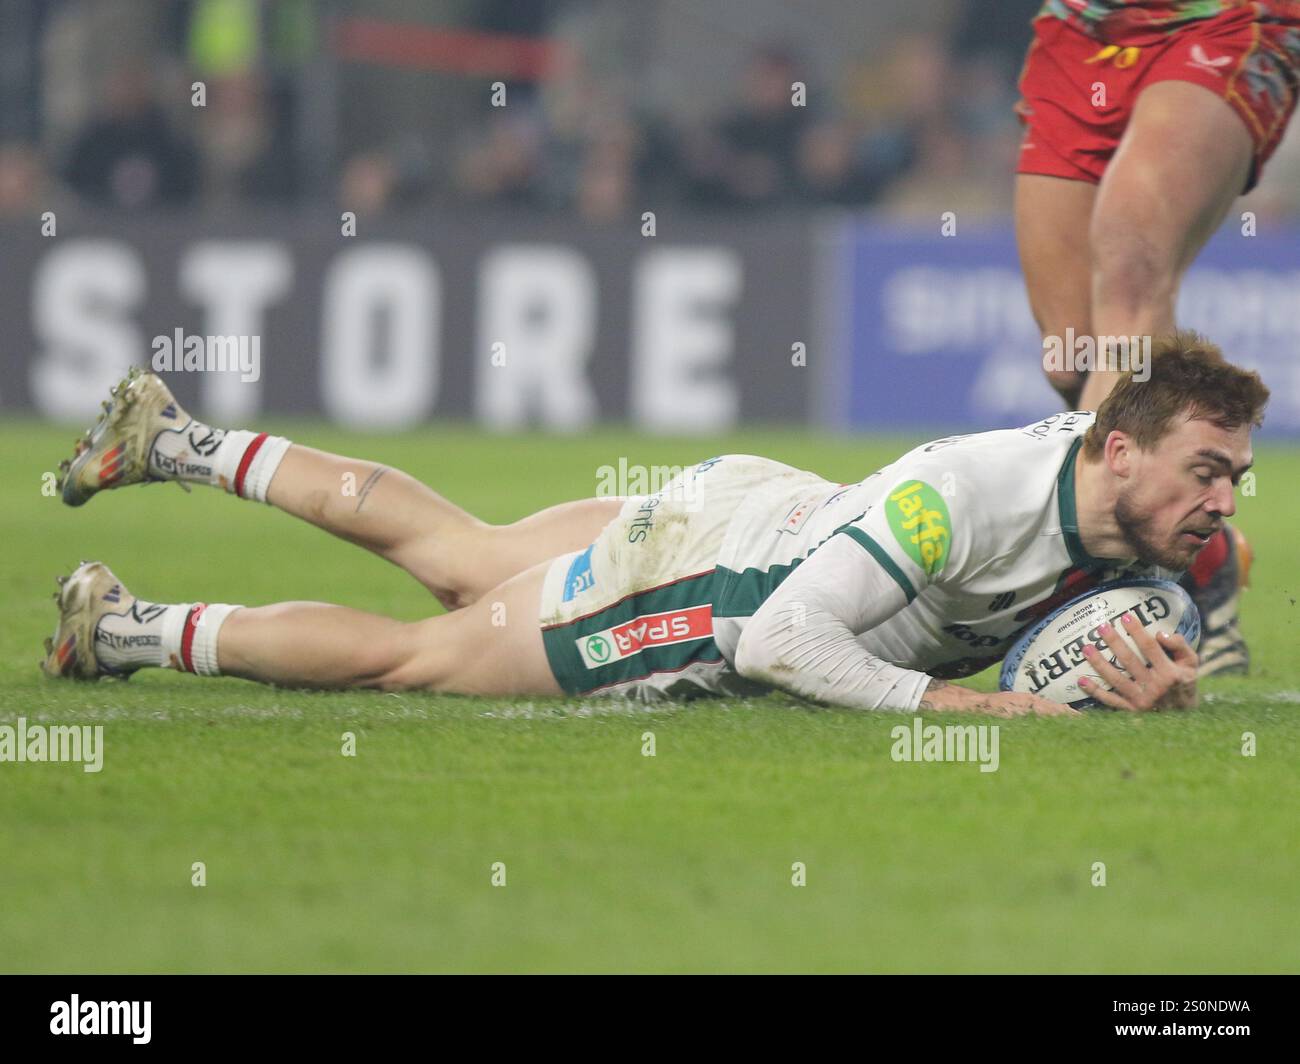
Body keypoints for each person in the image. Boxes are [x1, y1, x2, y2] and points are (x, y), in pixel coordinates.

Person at [43, 334, 1265, 718]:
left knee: (458, 549)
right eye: (1205, 471)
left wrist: (1165, 660)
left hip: (756, 501)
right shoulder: (962, 499)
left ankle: (173, 443)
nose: (1221, 501)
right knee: (419, 647)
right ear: (1115, 449)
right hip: (712, 584)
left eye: (1234, 475)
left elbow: (1207, 572)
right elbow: (783, 640)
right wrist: (975, 704)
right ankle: (126, 631)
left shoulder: (1170, 527)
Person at [1012, 0, 1299, 674]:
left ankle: (1099, 583)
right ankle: (1210, 557)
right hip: (1082, 32)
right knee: (1073, 353)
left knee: (1134, 265)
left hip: (1224, 18)